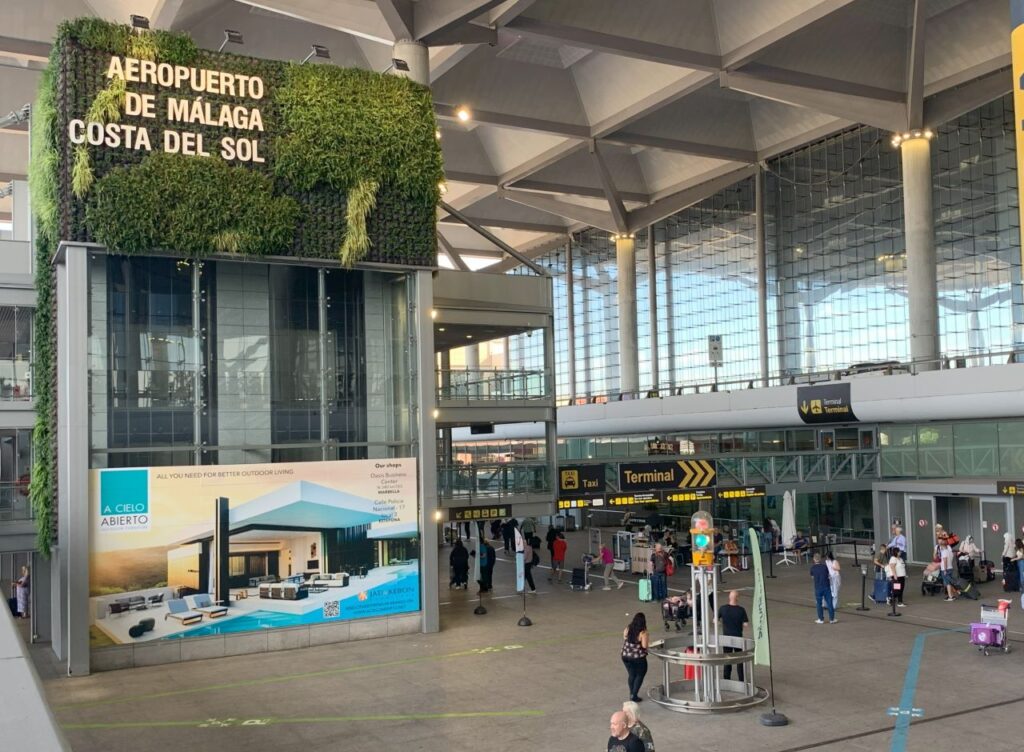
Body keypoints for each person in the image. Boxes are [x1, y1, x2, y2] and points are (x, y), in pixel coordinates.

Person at [718, 590, 749, 681]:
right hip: (738, 638)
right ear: (737, 598)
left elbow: (715, 619)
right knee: (739, 660)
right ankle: (741, 680)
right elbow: (745, 624)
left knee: (727, 659)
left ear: (729, 597)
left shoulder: (723, 608)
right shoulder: (741, 610)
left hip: (726, 638)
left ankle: (727, 679)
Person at [621, 612, 649, 703]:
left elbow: (625, 638)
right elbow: (644, 646)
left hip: (625, 656)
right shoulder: (643, 632)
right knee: (640, 675)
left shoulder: (628, 628)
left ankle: (631, 693)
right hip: (637, 658)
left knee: (632, 674)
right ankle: (634, 695)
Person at [810, 552, 836, 624]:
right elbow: (828, 575)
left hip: (818, 587)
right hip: (826, 586)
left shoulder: (812, 568)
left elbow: (812, 577)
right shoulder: (824, 567)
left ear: (814, 559)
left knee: (819, 603)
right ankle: (832, 619)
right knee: (829, 603)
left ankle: (821, 619)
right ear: (820, 559)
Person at [938, 537, 957, 601]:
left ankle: (950, 597)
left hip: (945, 569)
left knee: (947, 583)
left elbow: (945, 561)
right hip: (950, 567)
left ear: (942, 546)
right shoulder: (950, 551)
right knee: (949, 582)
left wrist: (945, 570)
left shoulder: (944, 552)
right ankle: (952, 595)